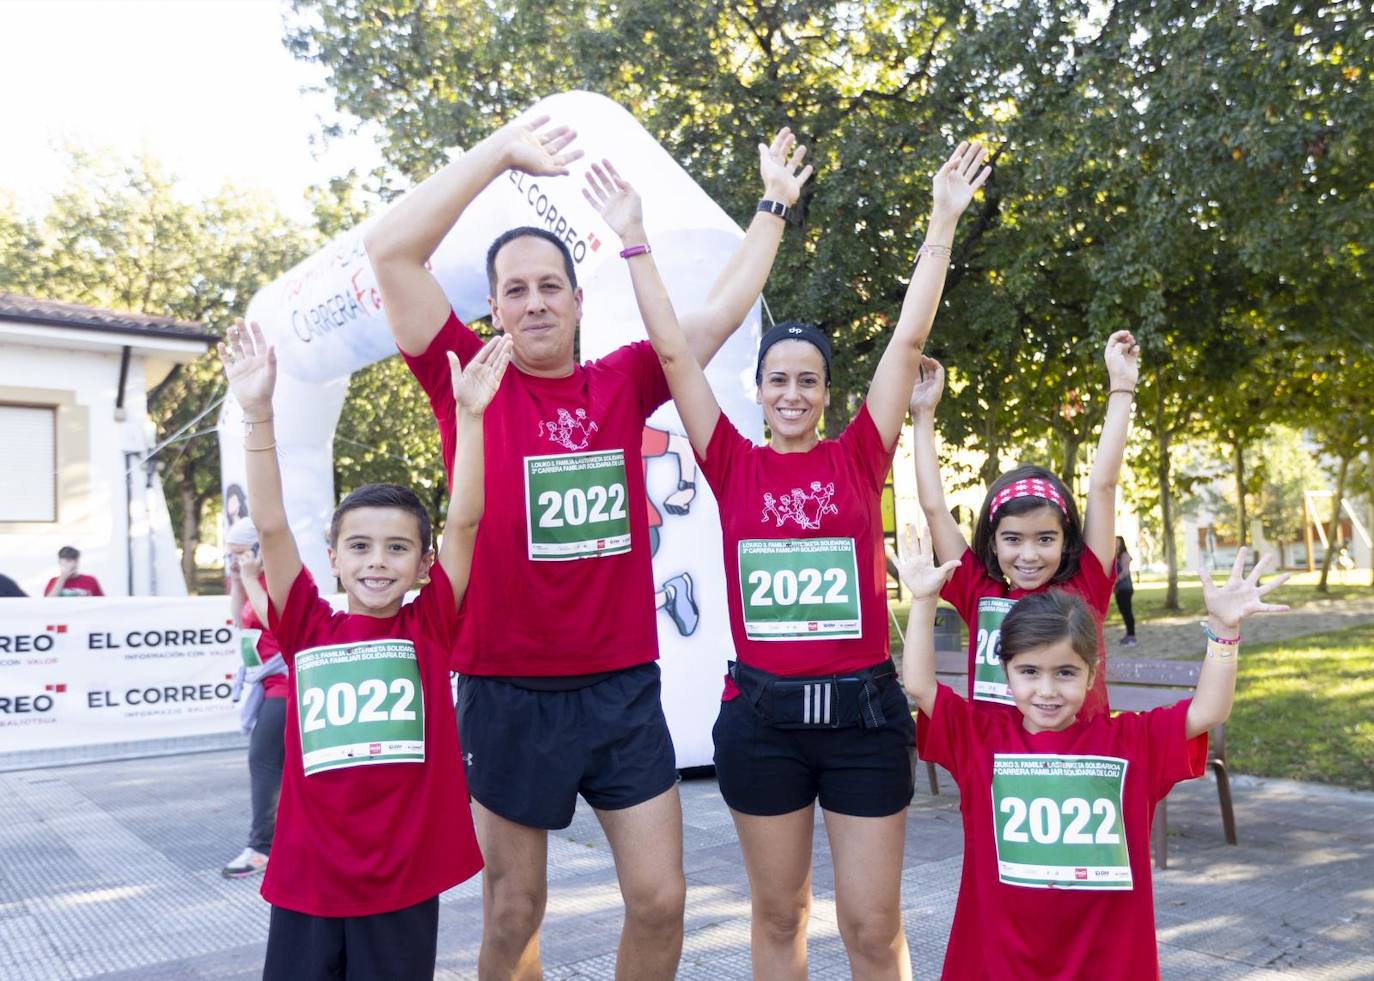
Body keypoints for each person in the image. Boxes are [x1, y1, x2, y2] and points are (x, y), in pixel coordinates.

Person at [364, 115, 813, 978]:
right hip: (503, 689)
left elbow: (716, 314)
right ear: (492, 307)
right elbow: (390, 252)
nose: (533, 301)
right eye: (515, 289)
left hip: (620, 691)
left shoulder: (622, 380)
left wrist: (772, 208)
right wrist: (499, 154)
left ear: (577, 299)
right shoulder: (468, 377)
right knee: (513, 916)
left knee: (661, 900)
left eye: (549, 286)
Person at [582, 139, 988, 978]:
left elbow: (910, 334)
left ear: (828, 394)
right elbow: (670, 355)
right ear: (758, 391)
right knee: (779, 918)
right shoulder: (730, 459)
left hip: (863, 721)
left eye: (809, 381)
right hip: (763, 723)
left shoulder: (857, 456)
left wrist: (942, 220)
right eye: (779, 380)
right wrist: (633, 239)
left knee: (873, 929)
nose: (794, 394)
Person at [220, 319, 506, 979]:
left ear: (424, 564)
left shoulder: (430, 626)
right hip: (307, 879)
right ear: (334, 559)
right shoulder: (305, 624)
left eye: (397, 547)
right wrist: (258, 413)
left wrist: (470, 416)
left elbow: (465, 518)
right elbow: (269, 522)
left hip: (401, 885)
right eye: (360, 546)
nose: (378, 562)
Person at [896, 530, 1288, 978]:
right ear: (1005, 673)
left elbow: (1208, 710)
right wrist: (925, 600)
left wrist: (1224, 631)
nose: (1046, 690)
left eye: (1065, 672)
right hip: (997, 961)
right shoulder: (981, 739)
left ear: (1090, 674)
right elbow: (920, 686)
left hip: (1106, 963)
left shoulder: (1129, 743)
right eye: (1029, 671)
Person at [908, 332, 1139, 720]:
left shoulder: (1085, 586)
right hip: (999, 771)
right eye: (1013, 539)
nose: (1028, 554)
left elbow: (1103, 485)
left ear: (1067, 542)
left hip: (1076, 768)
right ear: (993, 544)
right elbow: (934, 508)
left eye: (1045, 538)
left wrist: (1122, 387)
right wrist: (923, 415)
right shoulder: (980, 593)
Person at [220, 517, 288, 879]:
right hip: (268, 684)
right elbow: (241, 623)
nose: (233, 561)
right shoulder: (250, 578)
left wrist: (246, 577)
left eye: (239, 554)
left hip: (286, 685)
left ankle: (262, 848)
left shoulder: (278, 577)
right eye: (229, 555)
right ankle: (276, 843)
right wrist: (238, 580)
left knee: (263, 763)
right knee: (274, 765)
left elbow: (276, 621)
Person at [1114, 534, 1137, 645]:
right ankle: (1128, 634)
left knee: (1127, 612)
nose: (1115, 543)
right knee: (1124, 612)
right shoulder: (1115, 556)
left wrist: (1115, 580)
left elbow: (1125, 571)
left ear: (1121, 543)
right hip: (1119, 589)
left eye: (1117, 542)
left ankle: (1132, 636)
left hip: (1125, 588)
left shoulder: (1124, 555)